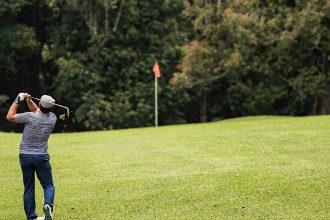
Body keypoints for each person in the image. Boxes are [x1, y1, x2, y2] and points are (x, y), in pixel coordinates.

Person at [6, 93, 57, 220]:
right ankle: (48, 205)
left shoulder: (30, 117)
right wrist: (29, 100)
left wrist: (18, 99)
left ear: (40, 103)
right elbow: (38, 111)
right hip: (41, 157)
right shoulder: (53, 118)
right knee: (48, 185)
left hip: (25, 156)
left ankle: (31, 217)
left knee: (29, 187)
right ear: (51, 108)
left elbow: (10, 116)